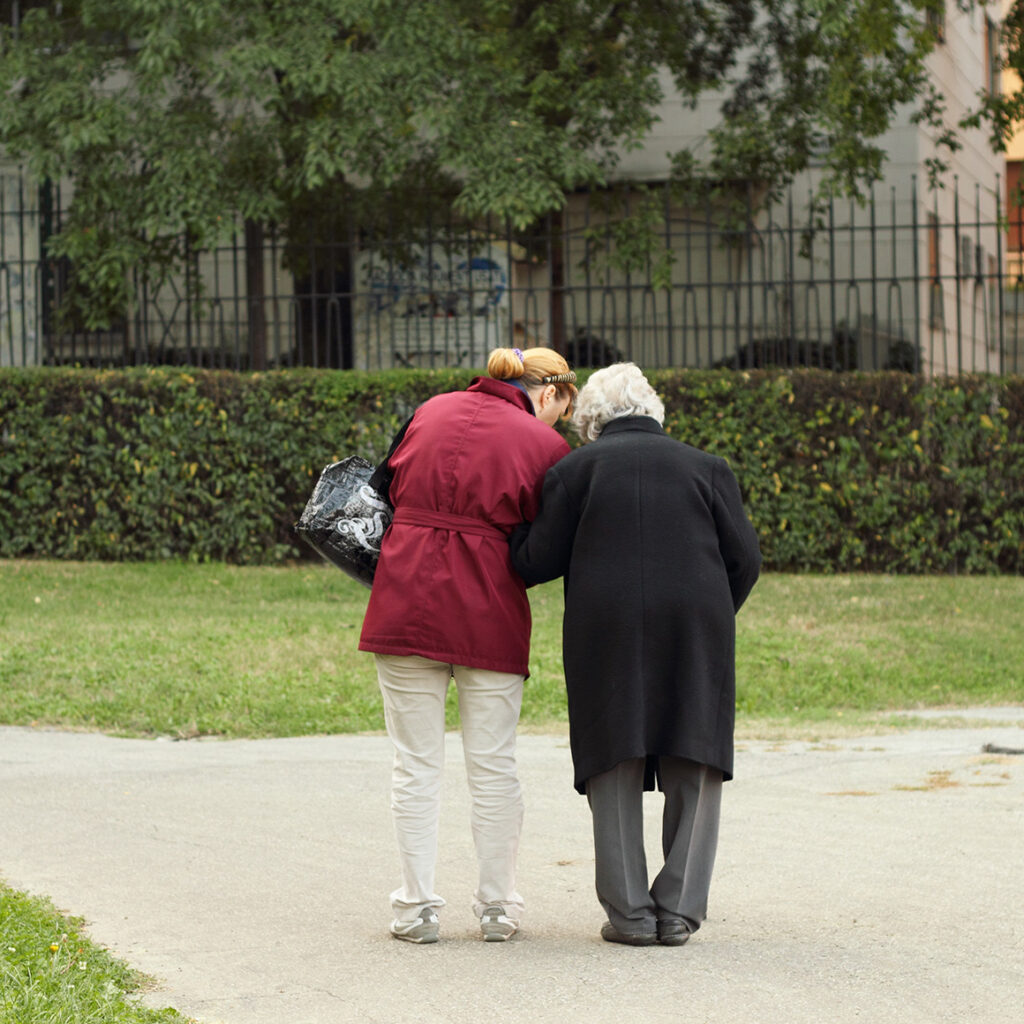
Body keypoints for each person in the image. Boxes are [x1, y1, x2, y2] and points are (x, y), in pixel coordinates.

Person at [509, 362, 761, 947]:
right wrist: (712, 613)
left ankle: (629, 914)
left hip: (607, 623)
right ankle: (677, 911)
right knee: (694, 749)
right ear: (653, 411)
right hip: (697, 618)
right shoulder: (708, 468)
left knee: (612, 748)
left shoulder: (575, 470)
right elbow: (745, 559)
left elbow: (534, 562)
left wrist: (507, 531)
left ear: (590, 422)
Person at [359, 346, 578, 944]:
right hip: (489, 609)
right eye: (563, 407)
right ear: (551, 392)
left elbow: (384, 488)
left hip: (405, 598)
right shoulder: (544, 447)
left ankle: (415, 907)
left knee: (415, 764)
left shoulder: (428, 410)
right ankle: (498, 907)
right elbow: (542, 546)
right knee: (494, 766)